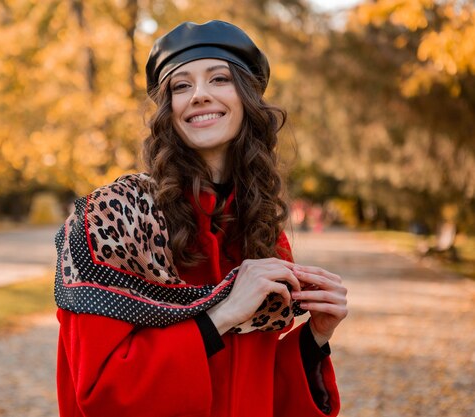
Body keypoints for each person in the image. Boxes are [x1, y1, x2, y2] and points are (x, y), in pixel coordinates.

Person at [54, 20, 348, 417]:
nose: (200, 95)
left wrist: (316, 335)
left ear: (247, 99)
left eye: (219, 79)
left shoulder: (259, 225)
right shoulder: (112, 218)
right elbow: (101, 393)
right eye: (181, 86)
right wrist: (222, 315)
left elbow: (253, 383)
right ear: (167, 110)